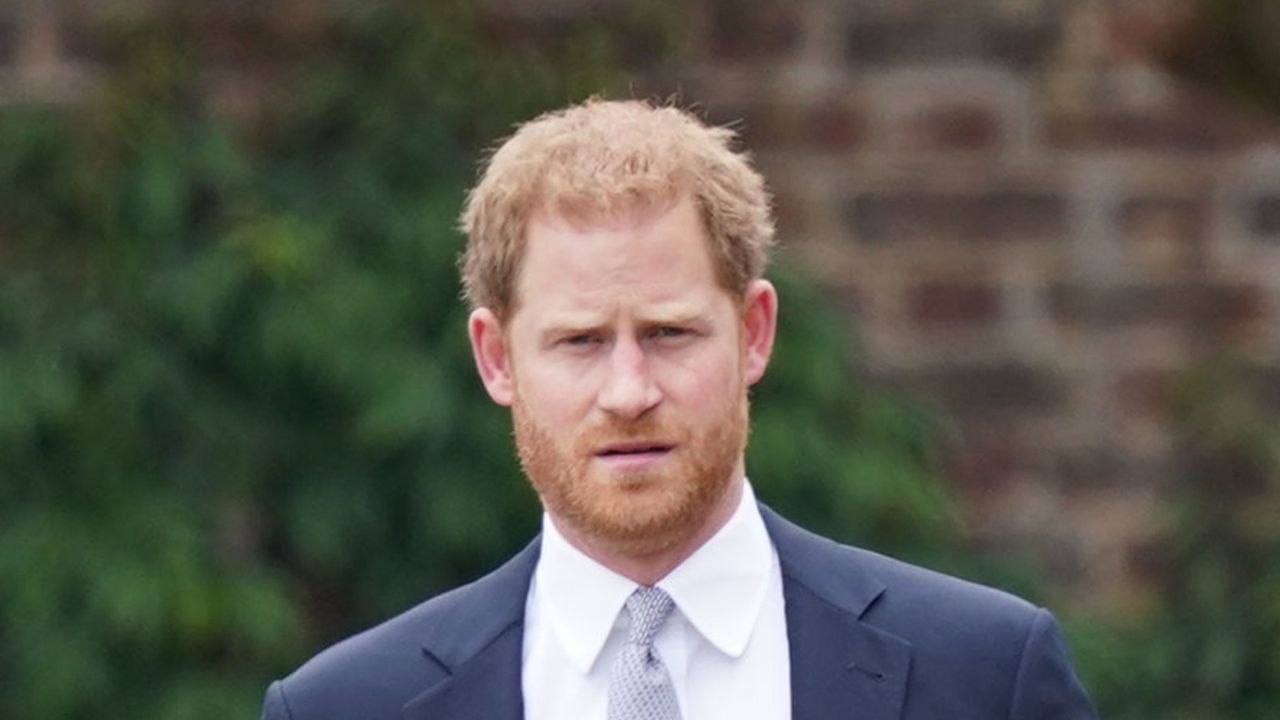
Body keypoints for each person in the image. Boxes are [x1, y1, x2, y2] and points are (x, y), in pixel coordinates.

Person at [260, 99, 1097, 720]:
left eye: (668, 333)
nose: (629, 392)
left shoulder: (987, 677)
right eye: (580, 342)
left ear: (754, 332)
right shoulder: (345, 708)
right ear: (495, 357)